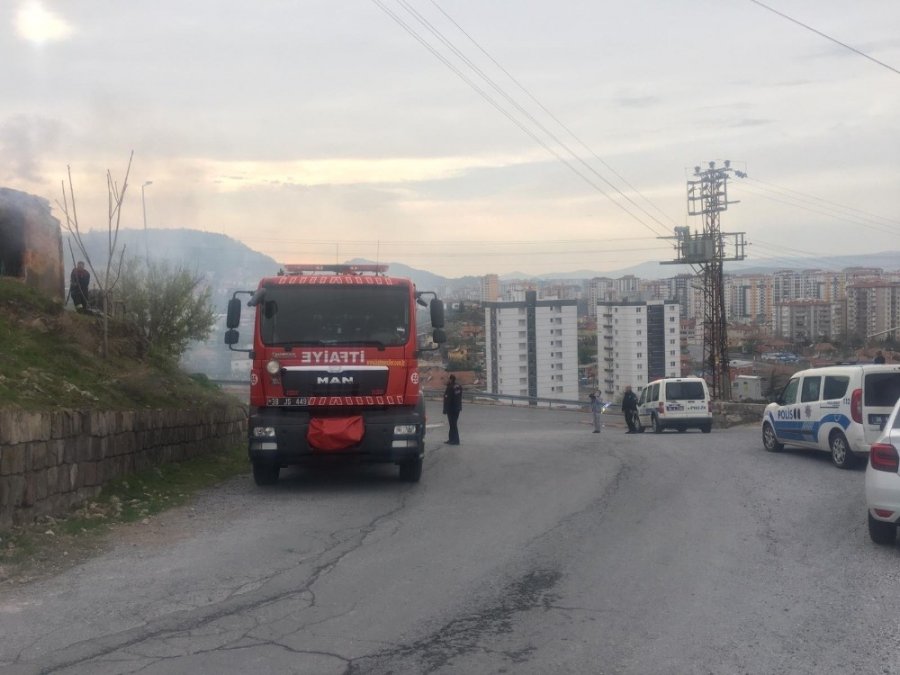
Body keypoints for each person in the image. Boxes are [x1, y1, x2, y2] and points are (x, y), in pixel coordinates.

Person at [443, 374, 463, 445]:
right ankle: (451, 439)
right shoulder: (459, 386)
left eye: (448, 379)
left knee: (453, 425)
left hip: (451, 409)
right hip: (457, 408)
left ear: (451, 379)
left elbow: (448, 400)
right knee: (453, 424)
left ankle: (455, 440)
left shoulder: (450, 388)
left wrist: (445, 410)